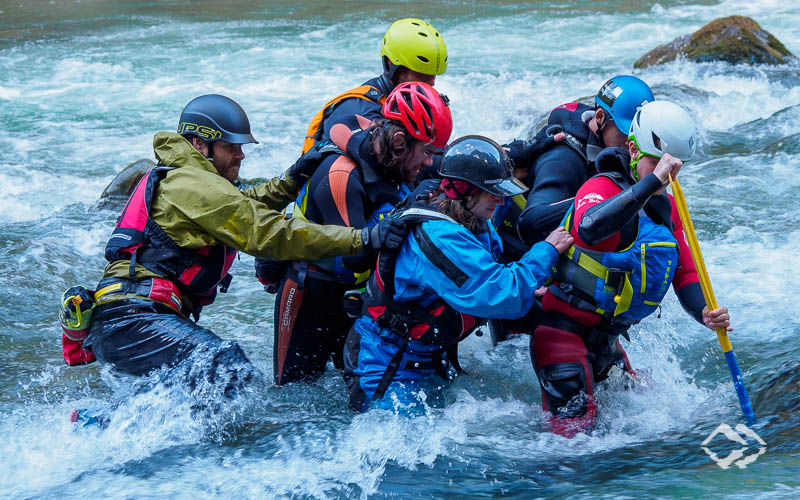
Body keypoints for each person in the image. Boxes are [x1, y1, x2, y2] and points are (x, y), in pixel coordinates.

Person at [82, 94, 408, 397]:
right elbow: (269, 233)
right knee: (229, 371)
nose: (241, 154)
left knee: (205, 389)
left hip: (129, 321)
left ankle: (92, 427)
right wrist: (364, 237)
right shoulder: (191, 185)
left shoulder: (188, 179)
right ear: (200, 145)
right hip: (133, 320)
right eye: (232, 147)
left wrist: (296, 175)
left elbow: (244, 202)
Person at [529, 100, 733, 437]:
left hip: (606, 343)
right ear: (633, 149)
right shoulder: (599, 187)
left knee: (645, 408)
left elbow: (685, 273)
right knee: (574, 444)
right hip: (561, 334)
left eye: (675, 167)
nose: (669, 175)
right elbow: (589, 229)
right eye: (660, 163)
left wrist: (704, 313)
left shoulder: (666, 207)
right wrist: (651, 182)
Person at [342, 136, 574, 413]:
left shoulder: (475, 221)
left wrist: (530, 286)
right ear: (466, 191)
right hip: (385, 364)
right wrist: (547, 250)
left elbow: (487, 276)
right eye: (494, 193)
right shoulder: (441, 236)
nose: (502, 201)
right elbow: (498, 293)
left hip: (425, 358)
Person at [273, 81, 453, 385]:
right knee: (294, 397)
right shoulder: (342, 174)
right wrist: (407, 206)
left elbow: (449, 168)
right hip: (312, 294)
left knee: (357, 394)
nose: (428, 163)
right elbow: (352, 256)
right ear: (398, 140)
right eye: (425, 152)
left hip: (356, 299)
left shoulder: (397, 153)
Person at [255, 18, 448, 290]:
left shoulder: (413, 110)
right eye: (419, 79)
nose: (428, 90)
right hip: (315, 263)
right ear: (392, 69)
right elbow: (378, 160)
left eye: (432, 83)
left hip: (361, 251)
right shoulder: (356, 108)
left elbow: (423, 158)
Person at [488, 75, 654, 344]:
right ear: (600, 117)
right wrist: (604, 200)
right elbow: (531, 222)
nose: (631, 144)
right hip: (521, 274)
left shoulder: (614, 149)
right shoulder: (564, 156)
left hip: (563, 274)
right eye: (626, 134)